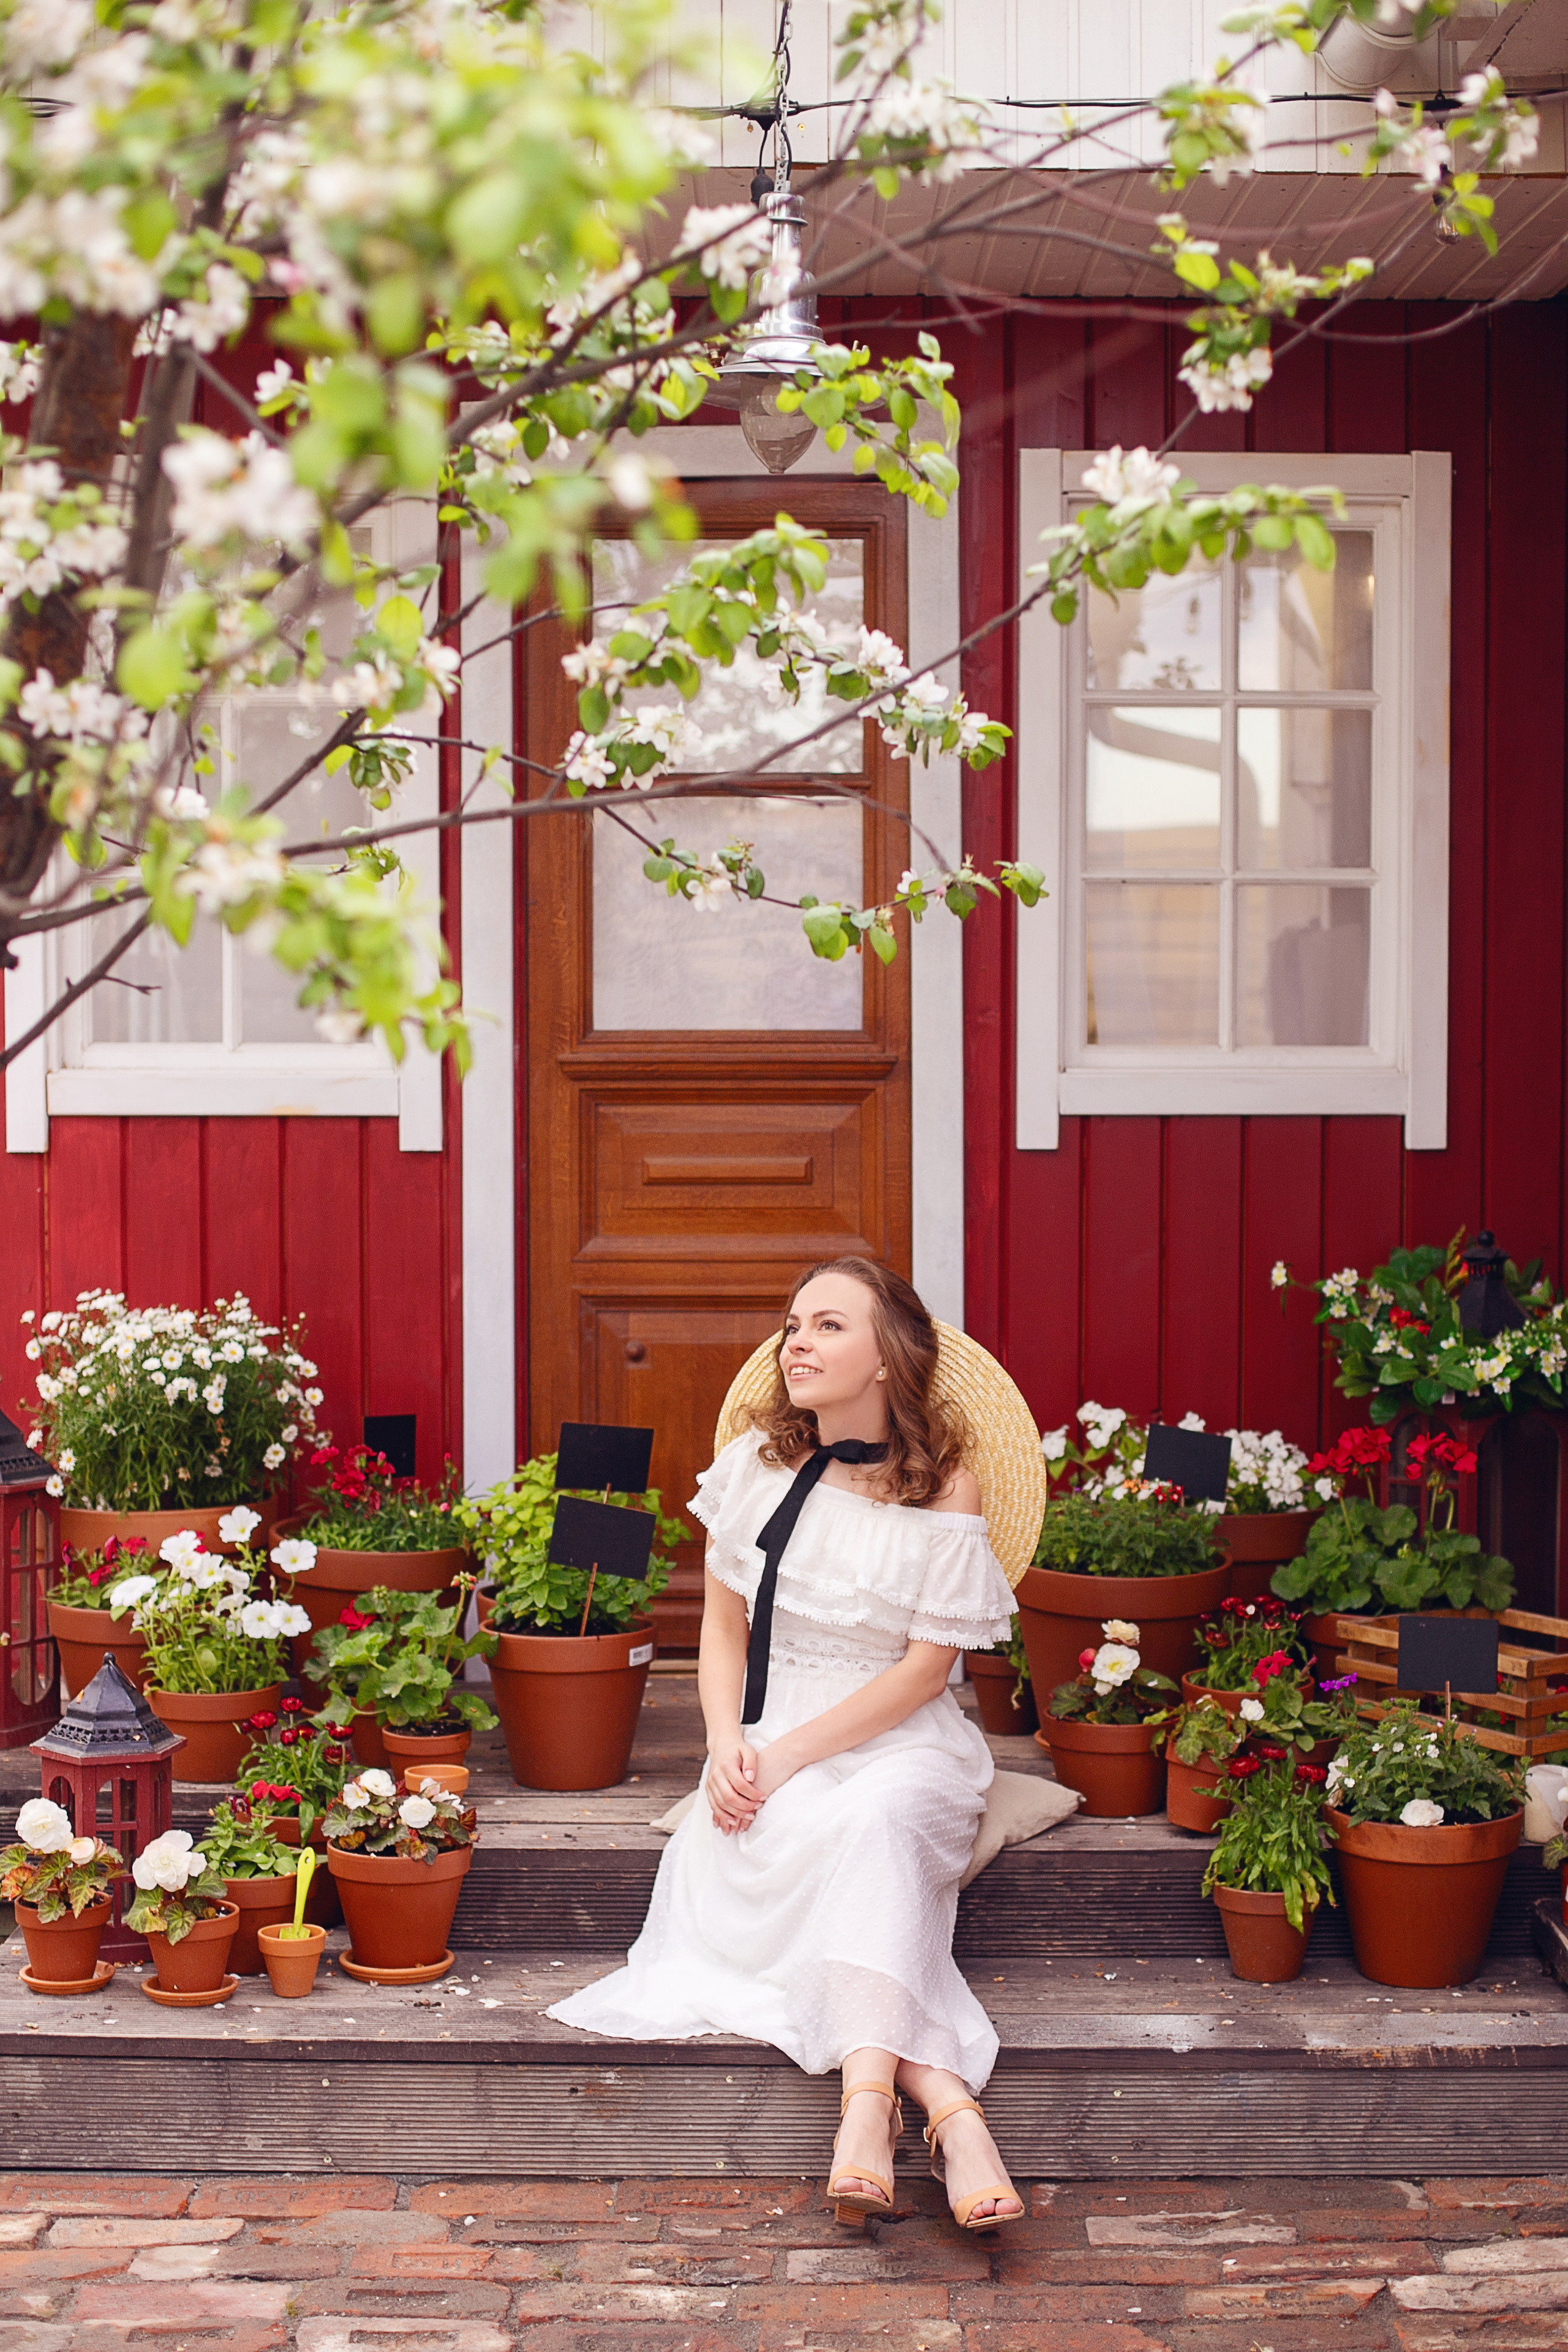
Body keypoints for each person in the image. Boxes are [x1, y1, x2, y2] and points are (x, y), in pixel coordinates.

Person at [549, 1254, 1028, 2231]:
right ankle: (946, 2108)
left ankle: (867, 2107)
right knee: (788, 1828)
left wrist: (792, 1754)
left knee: (878, 1816)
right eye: (793, 1324)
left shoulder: (947, 1491)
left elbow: (923, 1674)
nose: (796, 1342)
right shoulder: (756, 1470)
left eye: (828, 1325)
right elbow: (722, 1631)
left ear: (889, 1358)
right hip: (772, 1733)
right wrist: (725, 1744)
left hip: (898, 1737)